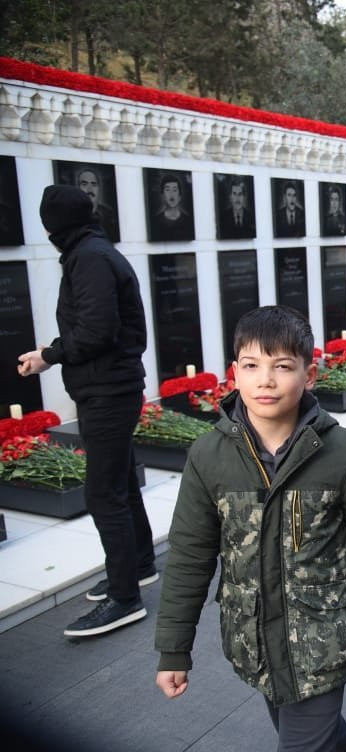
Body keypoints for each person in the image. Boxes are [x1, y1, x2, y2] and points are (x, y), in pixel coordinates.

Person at [153, 305, 346, 751]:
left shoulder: (339, 449)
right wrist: (173, 648)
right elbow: (190, 555)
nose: (265, 380)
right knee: (307, 728)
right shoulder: (209, 457)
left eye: (282, 366)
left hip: (321, 638)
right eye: (252, 366)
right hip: (255, 638)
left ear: (310, 374)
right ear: (234, 374)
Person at [18, 185, 155, 637]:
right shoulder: (92, 251)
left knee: (102, 493)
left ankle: (124, 598)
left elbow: (96, 330)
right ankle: (137, 567)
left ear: (52, 225)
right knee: (120, 481)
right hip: (111, 386)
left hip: (108, 391)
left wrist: (49, 354)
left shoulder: (90, 257)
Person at [74, 164, 120, 242]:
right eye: (84, 184)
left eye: (94, 184)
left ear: (99, 188)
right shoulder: (73, 215)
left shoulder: (108, 214)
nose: (90, 190)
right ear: (78, 188)